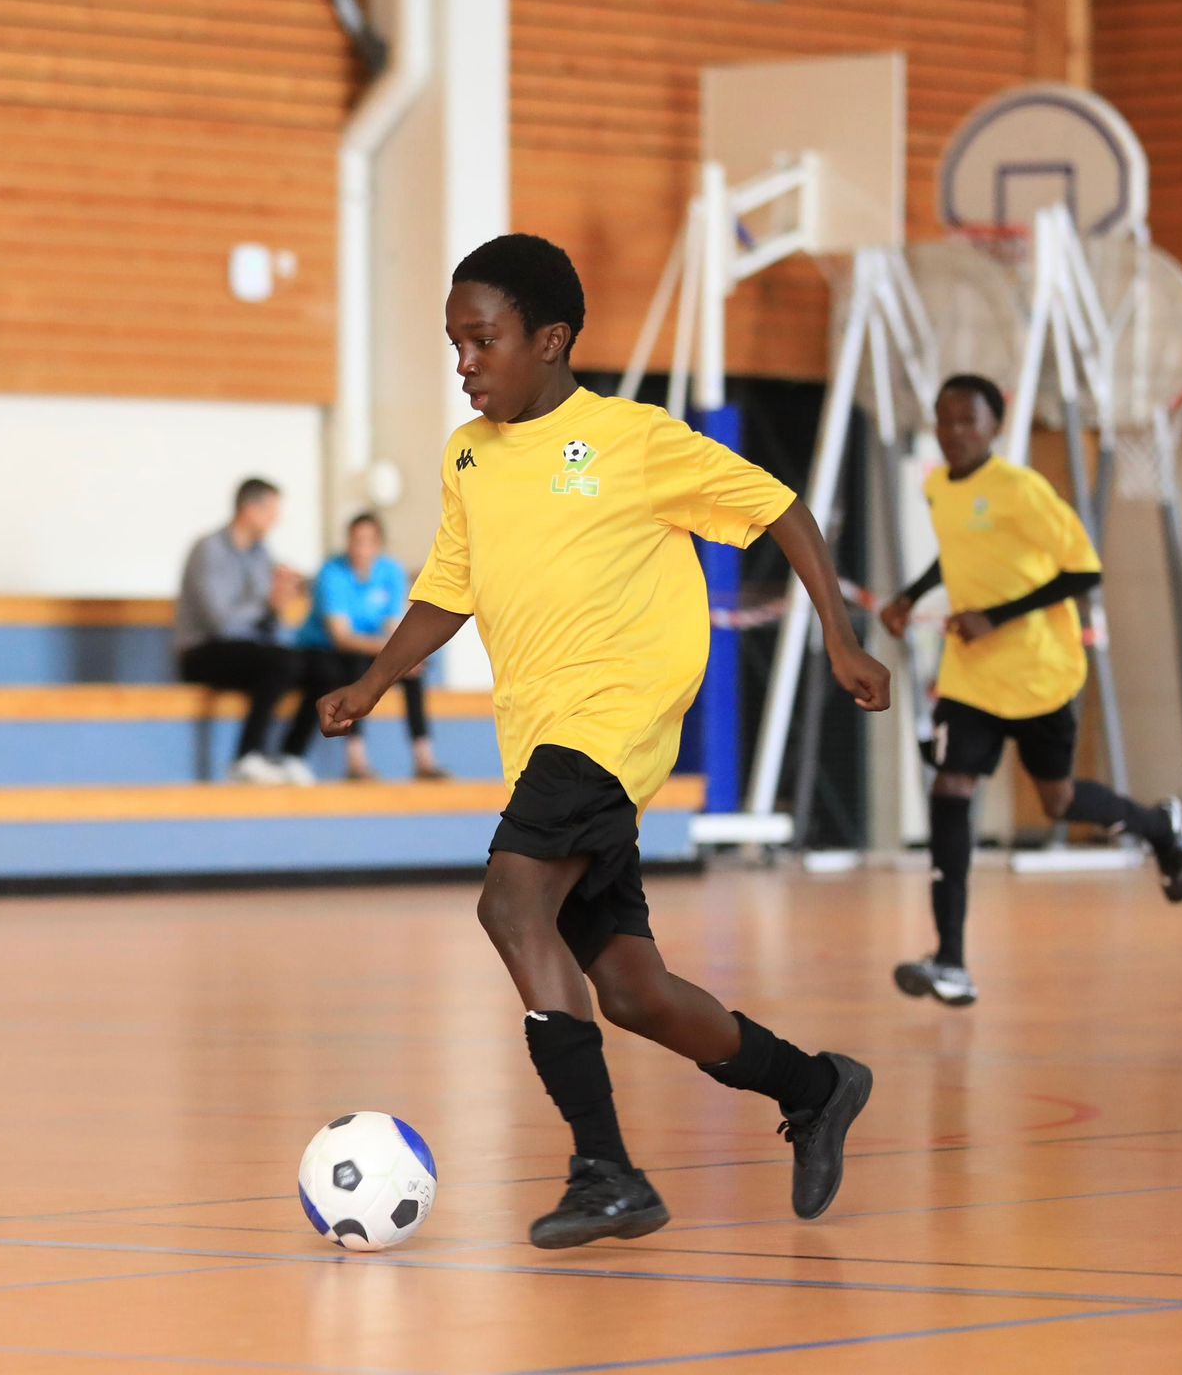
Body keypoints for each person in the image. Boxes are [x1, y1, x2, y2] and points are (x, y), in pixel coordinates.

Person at [319, 234, 890, 1249]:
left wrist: (840, 641)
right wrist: (372, 679)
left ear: (550, 340)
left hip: (611, 720)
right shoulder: (467, 456)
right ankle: (814, 1086)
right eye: (453, 343)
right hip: (541, 736)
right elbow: (447, 588)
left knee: (509, 901)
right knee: (630, 988)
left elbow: (780, 510)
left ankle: (605, 1167)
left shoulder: (632, 439)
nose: (464, 362)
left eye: (481, 340)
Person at [877, 374, 1182, 1010]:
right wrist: (911, 596)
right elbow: (959, 553)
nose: (954, 431)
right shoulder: (938, 486)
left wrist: (998, 615)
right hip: (971, 677)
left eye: (968, 420)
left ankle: (1160, 828)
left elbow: (1084, 570)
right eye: (944, 420)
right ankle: (951, 960)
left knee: (1057, 801)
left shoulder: (1021, 489)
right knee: (951, 788)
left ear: (995, 426)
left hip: (1041, 673)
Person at [174, 478, 318, 785]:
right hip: (204, 651)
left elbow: (270, 623)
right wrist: (268, 603)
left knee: (318, 666)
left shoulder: (261, 554)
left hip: (250, 651)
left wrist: (281, 607)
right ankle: (247, 756)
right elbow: (221, 622)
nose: (276, 520)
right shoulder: (209, 550)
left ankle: (291, 755)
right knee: (282, 662)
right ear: (249, 509)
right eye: (271, 511)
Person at [297, 512, 444, 781]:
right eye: (356, 541)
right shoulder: (332, 573)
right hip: (328, 651)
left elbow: (393, 627)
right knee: (357, 670)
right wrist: (389, 653)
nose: (361, 548)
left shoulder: (391, 571)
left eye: (367, 541)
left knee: (410, 671)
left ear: (379, 545)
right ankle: (356, 759)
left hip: (369, 648)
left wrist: (406, 658)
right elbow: (342, 636)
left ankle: (424, 758)